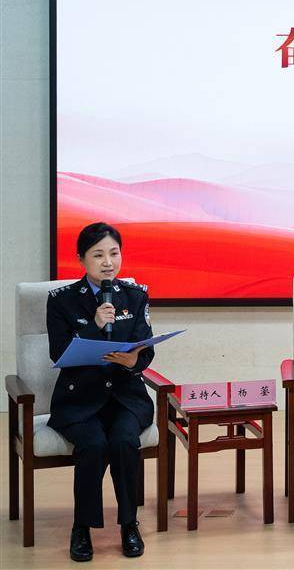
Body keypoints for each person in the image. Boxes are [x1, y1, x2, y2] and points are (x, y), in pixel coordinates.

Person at [47, 222, 154, 562]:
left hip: (125, 397)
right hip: (80, 399)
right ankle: (82, 527)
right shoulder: (62, 301)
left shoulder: (135, 296)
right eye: (98, 255)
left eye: (114, 253)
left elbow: (146, 348)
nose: (108, 262)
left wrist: (134, 360)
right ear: (81, 259)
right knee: (92, 445)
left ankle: (129, 524)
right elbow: (58, 353)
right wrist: (93, 326)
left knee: (124, 442)